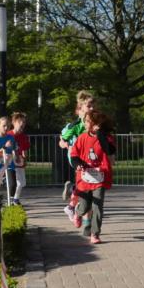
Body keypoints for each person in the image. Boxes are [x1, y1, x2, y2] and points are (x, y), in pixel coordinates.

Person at [69, 110, 116, 244]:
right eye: (85, 121)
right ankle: (77, 213)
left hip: (100, 177)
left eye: (88, 121)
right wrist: (77, 164)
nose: (85, 123)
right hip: (84, 177)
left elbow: (109, 150)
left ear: (96, 123)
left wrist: (100, 133)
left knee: (98, 206)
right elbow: (74, 155)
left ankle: (95, 234)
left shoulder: (106, 137)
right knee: (85, 206)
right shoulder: (82, 137)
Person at [59, 92, 94, 224]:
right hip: (76, 157)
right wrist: (64, 143)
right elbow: (62, 138)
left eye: (92, 106)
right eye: (89, 106)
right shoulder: (73, 125)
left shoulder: (92, 122)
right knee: (85, 184)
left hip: (89, 157)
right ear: (80, 108)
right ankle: (80, 215)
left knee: (87, 185)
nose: (92, 109)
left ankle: (73, 198)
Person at [7, 112, 30, 206]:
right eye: (20, 122)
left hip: (19, 161)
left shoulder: (24, 137)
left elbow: (24, 150)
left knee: (22, 183)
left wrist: (24, 159)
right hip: (10, 161)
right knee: (13, 183)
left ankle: (16, 199)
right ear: (13, 122)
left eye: (24, 122)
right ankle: (12, 200)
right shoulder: (9, 135)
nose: (22, 124)